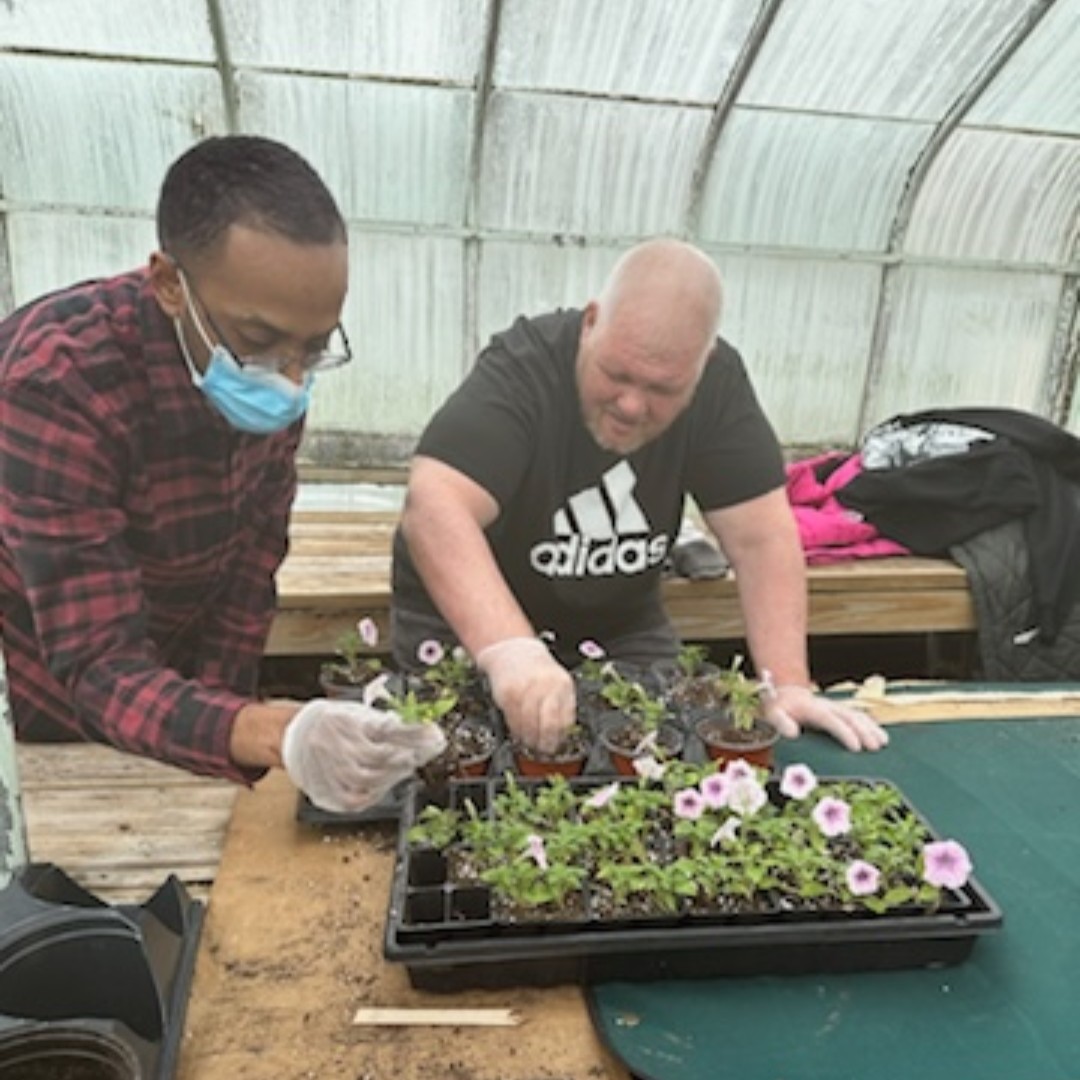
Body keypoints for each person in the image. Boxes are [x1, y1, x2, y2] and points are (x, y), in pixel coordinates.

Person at [0, 135, 443, 813]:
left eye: (315, 347)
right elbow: (95, 664)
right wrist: (270, 731)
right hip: (57, 701)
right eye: (262, 342)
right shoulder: (57, 386)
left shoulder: (272, 372)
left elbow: (251, 561)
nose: (292, 380)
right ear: (171, 285)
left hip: (175, 674)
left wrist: (227, 715)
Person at [392, 238, 887, 756]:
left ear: (704, 362)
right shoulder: (524, 367)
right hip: (471, 617)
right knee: (470, 762)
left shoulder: (719, 387)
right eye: (617, 374)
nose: (631, 405)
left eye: (663, 389)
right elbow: (434, 506)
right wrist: (510, 649)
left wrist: (787, 683)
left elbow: (761, 537)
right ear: (590, 323)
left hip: (617, 617)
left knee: (654, 759)